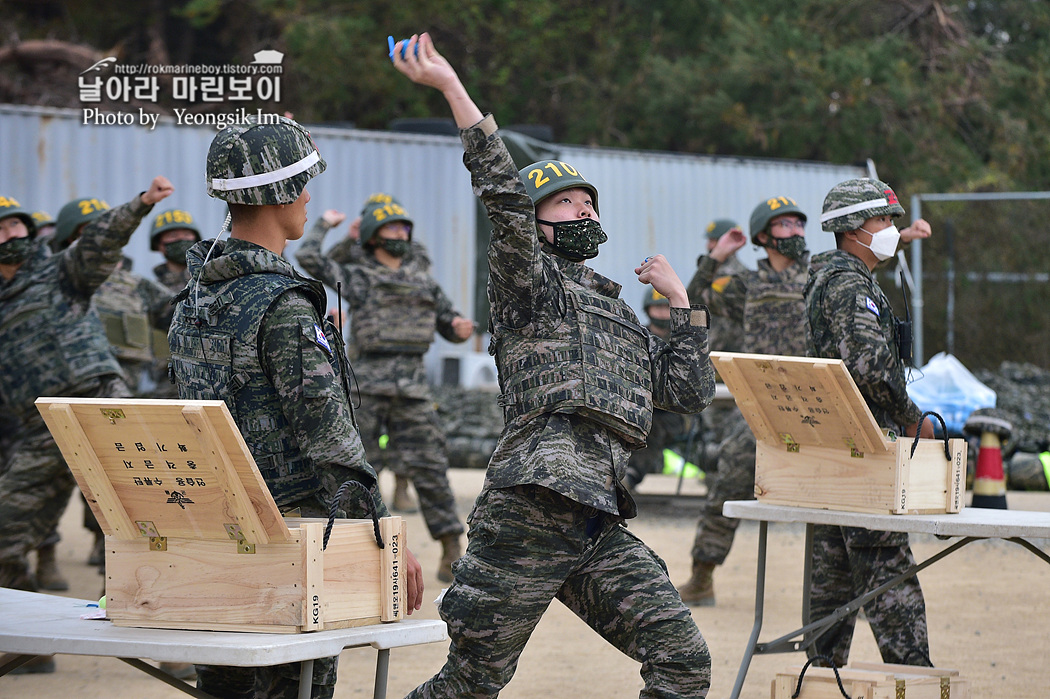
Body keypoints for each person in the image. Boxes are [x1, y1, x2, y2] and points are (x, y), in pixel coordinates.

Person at [392, 33, 715, 698]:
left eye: (588, 202)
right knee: (470, 682)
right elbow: (502, 197)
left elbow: (686, 392)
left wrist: (683, 305)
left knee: (684, 661)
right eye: (566, 201)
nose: (583, 209)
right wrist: (455, 90)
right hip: (530, 508)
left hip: (596, 518)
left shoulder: (621, 312)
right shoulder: (529, 286)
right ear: (537, 224)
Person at [167, 114, 423, 699]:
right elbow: (327, 433)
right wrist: (385, 531)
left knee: (226, 684)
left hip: (216, 528)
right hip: (293, 537)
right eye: (302, 181)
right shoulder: (281, 303)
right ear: (280, 192)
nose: (309, 195)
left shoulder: (194, 297)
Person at [0, 180, 172, 598]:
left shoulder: (59, 269)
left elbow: (99, 240)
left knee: (153, 521)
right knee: (5, 532)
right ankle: (24, 641)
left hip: (99, 406)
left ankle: (178, 652)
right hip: (40, 428)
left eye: (15, 227)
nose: (10, 237)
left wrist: (140, 205)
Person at [296, 200, 472, 582]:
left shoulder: (423, 280)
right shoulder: (360, 276)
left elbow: (448, 320)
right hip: (368, 389)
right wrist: (327, 225)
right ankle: (346, 548)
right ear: (375, 236)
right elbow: (308, 256)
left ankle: (450, 547)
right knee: (355, 469)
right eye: (392, 229)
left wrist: (459, 327)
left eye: (404, 228)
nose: (401, 235)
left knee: (431, 468)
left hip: (413, 391)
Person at [803, 177, 935, 669]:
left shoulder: (835, 277)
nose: (890, 231)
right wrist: (913, 418)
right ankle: (914, 681)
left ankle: (821, 680)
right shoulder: (848, 284)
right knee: (887, 576)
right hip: (865, 449)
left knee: (832, 578)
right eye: (883, 221)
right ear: (854, 228)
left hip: (837, 449)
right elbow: (871, 367)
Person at [678, 198, 812, 606]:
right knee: (727, 483)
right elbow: (693, 296)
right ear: (763, 236)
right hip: (761, 408)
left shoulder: (819, 278)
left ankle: (855, 594)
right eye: (784, 225)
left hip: (815, 405)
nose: (795, 231)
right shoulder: (747, 286)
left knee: (844, 500)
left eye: (798, 224)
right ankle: (702, 578)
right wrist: (717, 255)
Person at [623, 287, 695, 492]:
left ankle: (631, 476)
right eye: (657, 308)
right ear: (648, 310)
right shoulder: (635, 336)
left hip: (675, 414)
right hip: (638, 406)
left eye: (666, 308)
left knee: (651, 426)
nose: (662, 313)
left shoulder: (683, 341)